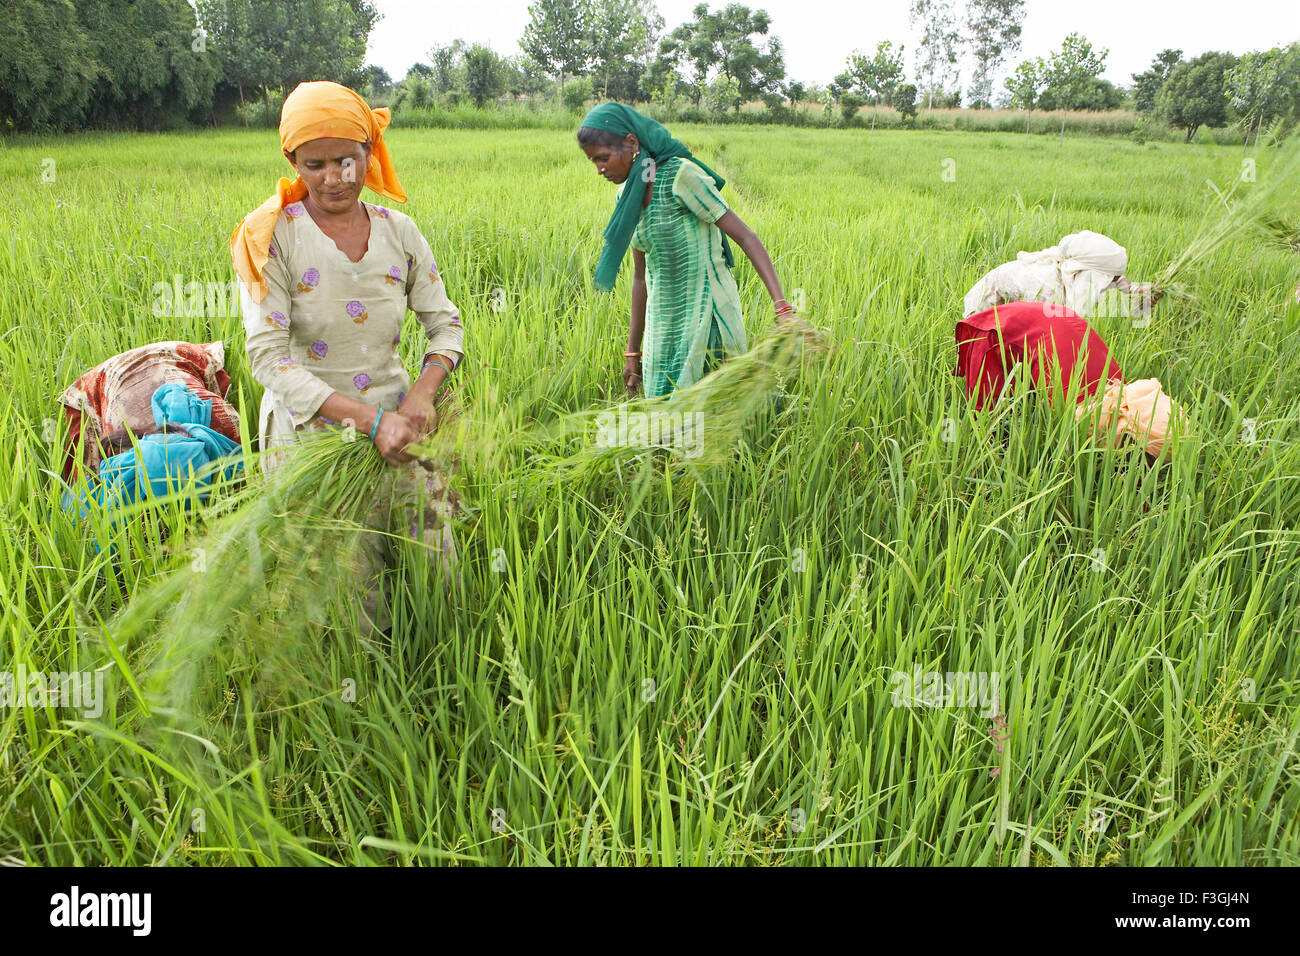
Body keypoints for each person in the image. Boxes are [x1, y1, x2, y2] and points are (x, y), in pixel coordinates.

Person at [230, 80, 464, 636]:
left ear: (369, 155)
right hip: (312, 432)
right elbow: (267, 357)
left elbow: (445, 324)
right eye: (315, 165)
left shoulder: (399, 232)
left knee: (439, 561)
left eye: (346, 160)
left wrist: (422, 393)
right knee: (348, 586)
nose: (334, 178)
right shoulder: (272, 239)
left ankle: (448, 665)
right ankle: (364, 690)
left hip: (399, 424)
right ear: (292, 161)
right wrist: (367, 421)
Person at [577, 102, 794, 398]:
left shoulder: (681, 177)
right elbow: (640, 277)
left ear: (631, 143)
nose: (600, 169)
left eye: (603, 158)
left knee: (717, 410)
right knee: (666, 417)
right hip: (663, 323)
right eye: (593, 162)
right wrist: (633, 352)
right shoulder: (625, 197)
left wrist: (782, 307)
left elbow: (746, 237)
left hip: (708, 317)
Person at [963, 230, 1163, 319]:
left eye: (1111, 279)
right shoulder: (1047, 287)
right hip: (987, 298)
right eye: (1107, 279)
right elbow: (1040, 330)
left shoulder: (1080, 271)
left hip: (1013, 304)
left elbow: (1118, 281)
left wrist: (1141, 291)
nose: (1109, 284)